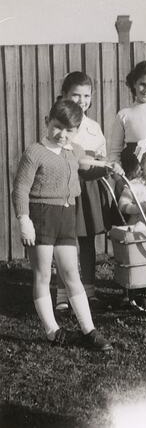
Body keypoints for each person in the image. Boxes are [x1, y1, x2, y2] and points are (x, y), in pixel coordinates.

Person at [12, 99, 112, 351]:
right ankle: (51, 331)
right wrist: (24, 221)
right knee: (43, 273)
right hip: (41, 216)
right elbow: (20, 189)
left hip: (67, 217)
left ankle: (89, 330)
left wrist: (108, 167)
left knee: (71, 274)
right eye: (58, 127)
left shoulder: (73, 150)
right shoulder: (34, 152)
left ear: (77, 130)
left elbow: (88, 167)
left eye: (70, 130)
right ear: (47, 122)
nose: (62, 134)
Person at [56, 72, 122, 312]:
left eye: (86, 95)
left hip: (89, 189)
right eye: (76, 94)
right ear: (64, 95)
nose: (82, 100)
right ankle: (63, 295)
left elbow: (102, 155)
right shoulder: (58, 122)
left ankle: (89, 291)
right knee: (65, 242)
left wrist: (103, 163)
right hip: (65, 188)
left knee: (87, 241)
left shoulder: (93, 126)